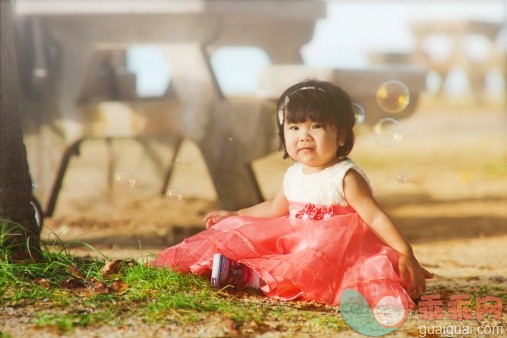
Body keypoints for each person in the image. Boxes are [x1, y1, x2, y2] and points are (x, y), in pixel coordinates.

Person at [154, 79, 432, 308]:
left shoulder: (345, 176)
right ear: (283, 134)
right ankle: (230, 269)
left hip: (337, 252)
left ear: (342, 136)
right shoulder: (294, 174)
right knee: (252, 240)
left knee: (303, 264)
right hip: (296, 239)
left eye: (317, 126)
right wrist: (237, 214)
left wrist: (404, 251)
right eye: (294, 127)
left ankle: (247, 277)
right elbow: (275, 209)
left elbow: (376, 217)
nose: (304, 136)